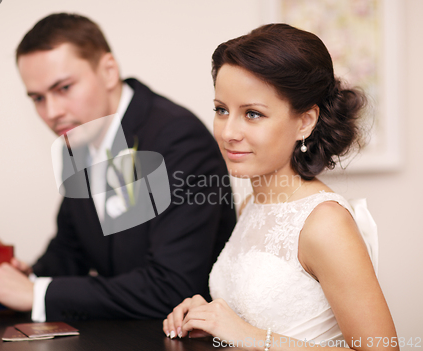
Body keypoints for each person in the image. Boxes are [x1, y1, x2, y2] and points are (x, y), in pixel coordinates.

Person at [0, 13, 236, 322]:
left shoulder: (178, 138)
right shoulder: (78, 136)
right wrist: (19, 275)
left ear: (108, 71)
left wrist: (38, 293)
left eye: (64, 88)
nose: (52, 112)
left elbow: (171, 288)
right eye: (38, 98)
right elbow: (70, 251)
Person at [163, 23, 399, 348]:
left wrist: (246, 334)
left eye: (253, 114)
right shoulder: (252, 205)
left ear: (305, 121)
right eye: (221, 110)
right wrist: (210, 317)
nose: (228, 131)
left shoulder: (324, 223)